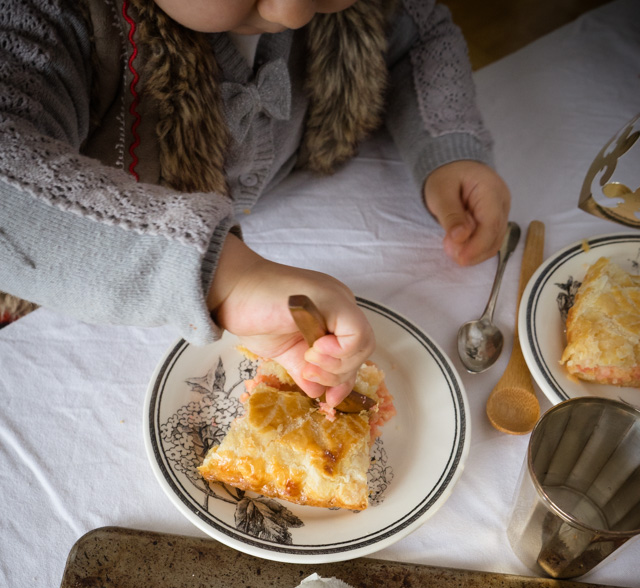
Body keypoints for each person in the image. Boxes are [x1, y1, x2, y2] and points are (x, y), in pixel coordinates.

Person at [0, 0, 510, 406]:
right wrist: (228, 276)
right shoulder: (47, 18)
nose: (293, 12)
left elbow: (418, 37)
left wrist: (446, 147)